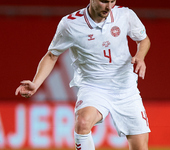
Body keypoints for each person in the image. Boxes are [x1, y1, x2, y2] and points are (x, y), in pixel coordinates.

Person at [15, 0, 151, 149]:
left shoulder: (125, 15)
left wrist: (140, 55)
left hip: (125, 87)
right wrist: (36, 83)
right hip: (93, 86)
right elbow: (52, 55)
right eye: (104, 1)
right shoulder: (70, 24)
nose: (109, 7)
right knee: (82, 122)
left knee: (140, 147)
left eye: (112, 1)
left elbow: (143, 40)